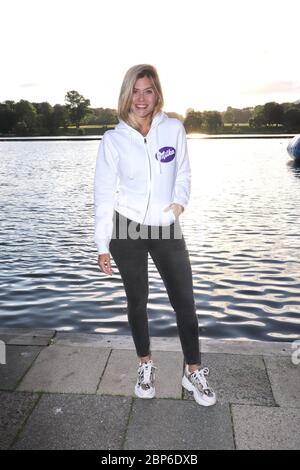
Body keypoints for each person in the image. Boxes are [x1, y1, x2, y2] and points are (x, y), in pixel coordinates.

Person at [94, 64, 216, 407]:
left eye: (148, 90)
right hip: (127, 228)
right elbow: (103, 194)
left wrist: (178, 205)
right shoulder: (113, 139)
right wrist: (102, 243)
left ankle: (193, 371)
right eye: (135, 91)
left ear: (157, 93)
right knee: (137, 302)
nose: (142, 98)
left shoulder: (173, 128)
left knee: (185, 302)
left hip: (165, 227)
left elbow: (184, 173)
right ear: (126, 95)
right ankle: (145, 366)